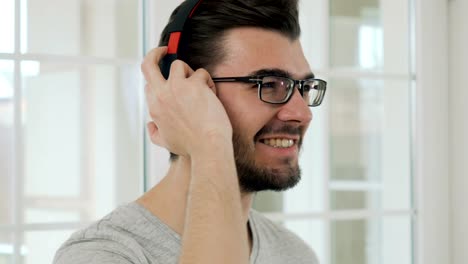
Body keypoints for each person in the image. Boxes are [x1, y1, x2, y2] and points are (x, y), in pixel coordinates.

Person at [53, 0, 326, 263]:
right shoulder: (103, 255)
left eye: (303, 88)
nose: (302, 113)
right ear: (183, 91)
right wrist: (210, 142)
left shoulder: (294, 253)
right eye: (269, 84)